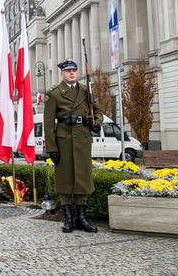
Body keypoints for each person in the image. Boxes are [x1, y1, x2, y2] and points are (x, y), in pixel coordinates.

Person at [44, 59, 102, 233]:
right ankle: (68, 218)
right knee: (65, 179)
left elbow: (98, 111)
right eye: (68, 71)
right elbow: (48, 123)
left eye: (74, 70)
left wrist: (95, 123)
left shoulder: (86, 90)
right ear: (62, 73)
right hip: (64, 141)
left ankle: (82, 218)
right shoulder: (54, 93)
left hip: (82, 140)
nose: (72, 73)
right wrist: (52, 147)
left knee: (82, 178)